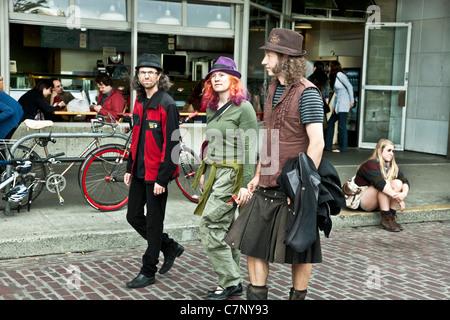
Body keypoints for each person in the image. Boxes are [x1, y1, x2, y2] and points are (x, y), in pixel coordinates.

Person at [225, 28, 325, 300]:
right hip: (266, 184)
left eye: (268, 56)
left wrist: (302, 189)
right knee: (254, 246)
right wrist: (258, 174)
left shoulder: (308, 93)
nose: (264, 62)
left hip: (294, 187)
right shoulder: (271, 89)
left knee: (300, 250)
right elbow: (270, 138)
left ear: (285, 57)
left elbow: (317, 143)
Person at [192, 56, 258, 300]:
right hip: (214, 172)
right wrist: (205, 170)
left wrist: (245, 185)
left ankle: (230, 281)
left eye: (223, 74)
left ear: (234, 80)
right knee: (227, 228)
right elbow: (211, 143)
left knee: (209, 226)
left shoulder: (244, 108)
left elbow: (250, 149)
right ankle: (234, 282)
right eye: (214, 75)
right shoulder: (212, 107)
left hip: (232, 174)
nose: (217, 77)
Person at [124, 53, 184, 288]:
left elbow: (175, 144)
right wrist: (129, 167)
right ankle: (169, 246)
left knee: (153, 223)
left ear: (159, 75)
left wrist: (163, 177)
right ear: (138, 76)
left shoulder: (166, 103)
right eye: (142, 72)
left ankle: (148, 270)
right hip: (139, 172)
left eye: (151, 72)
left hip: (157, 175)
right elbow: (135, 138)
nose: (146, 75)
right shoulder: (139, 102)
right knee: (133, 216)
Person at [353, 139, 410, 232]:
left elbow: (404, 181)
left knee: (398, 183)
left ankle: (391, 217)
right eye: (389, 150)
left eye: (393, 151)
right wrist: (399, 199)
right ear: (380, 150)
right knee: (385, 184)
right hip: (362, 201)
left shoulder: (391, 166)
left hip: (377, 200)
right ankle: (386, 218)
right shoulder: (370, 164)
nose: (391, 153)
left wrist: (404, 193)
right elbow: (380, 184)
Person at [324, 61, 354, 152]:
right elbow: (337, 94)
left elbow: (350, 87)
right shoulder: (334, 77)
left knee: (342, 126)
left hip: (344, 105)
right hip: (338, 106)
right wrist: (333, 106)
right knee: (330, 123)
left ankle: (343, 147)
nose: (328, 68)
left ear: (333, 67)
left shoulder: (340, 75)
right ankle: (327, 146)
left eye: (329, 66)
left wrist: (351, 101)